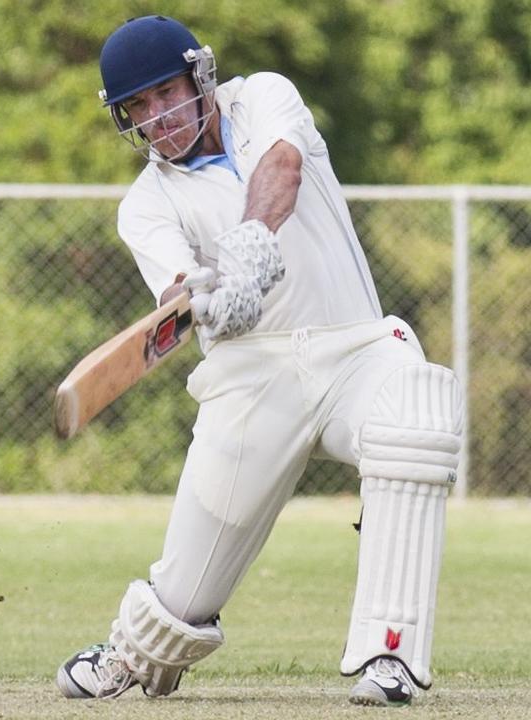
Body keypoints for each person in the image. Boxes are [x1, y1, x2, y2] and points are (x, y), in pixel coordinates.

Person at [55, 16, 462, 707]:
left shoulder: (262, 96)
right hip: (249, 380)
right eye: (140, 109)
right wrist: (209, 301)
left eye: (166, 93)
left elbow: (283, 166)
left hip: (356, 349)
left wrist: (246, 248)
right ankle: (139, 653)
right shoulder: (146, 205)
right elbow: (175, 296)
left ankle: (389, 656)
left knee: (416, 419)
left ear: (200, 76)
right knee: (184, 592)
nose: (158, 119)